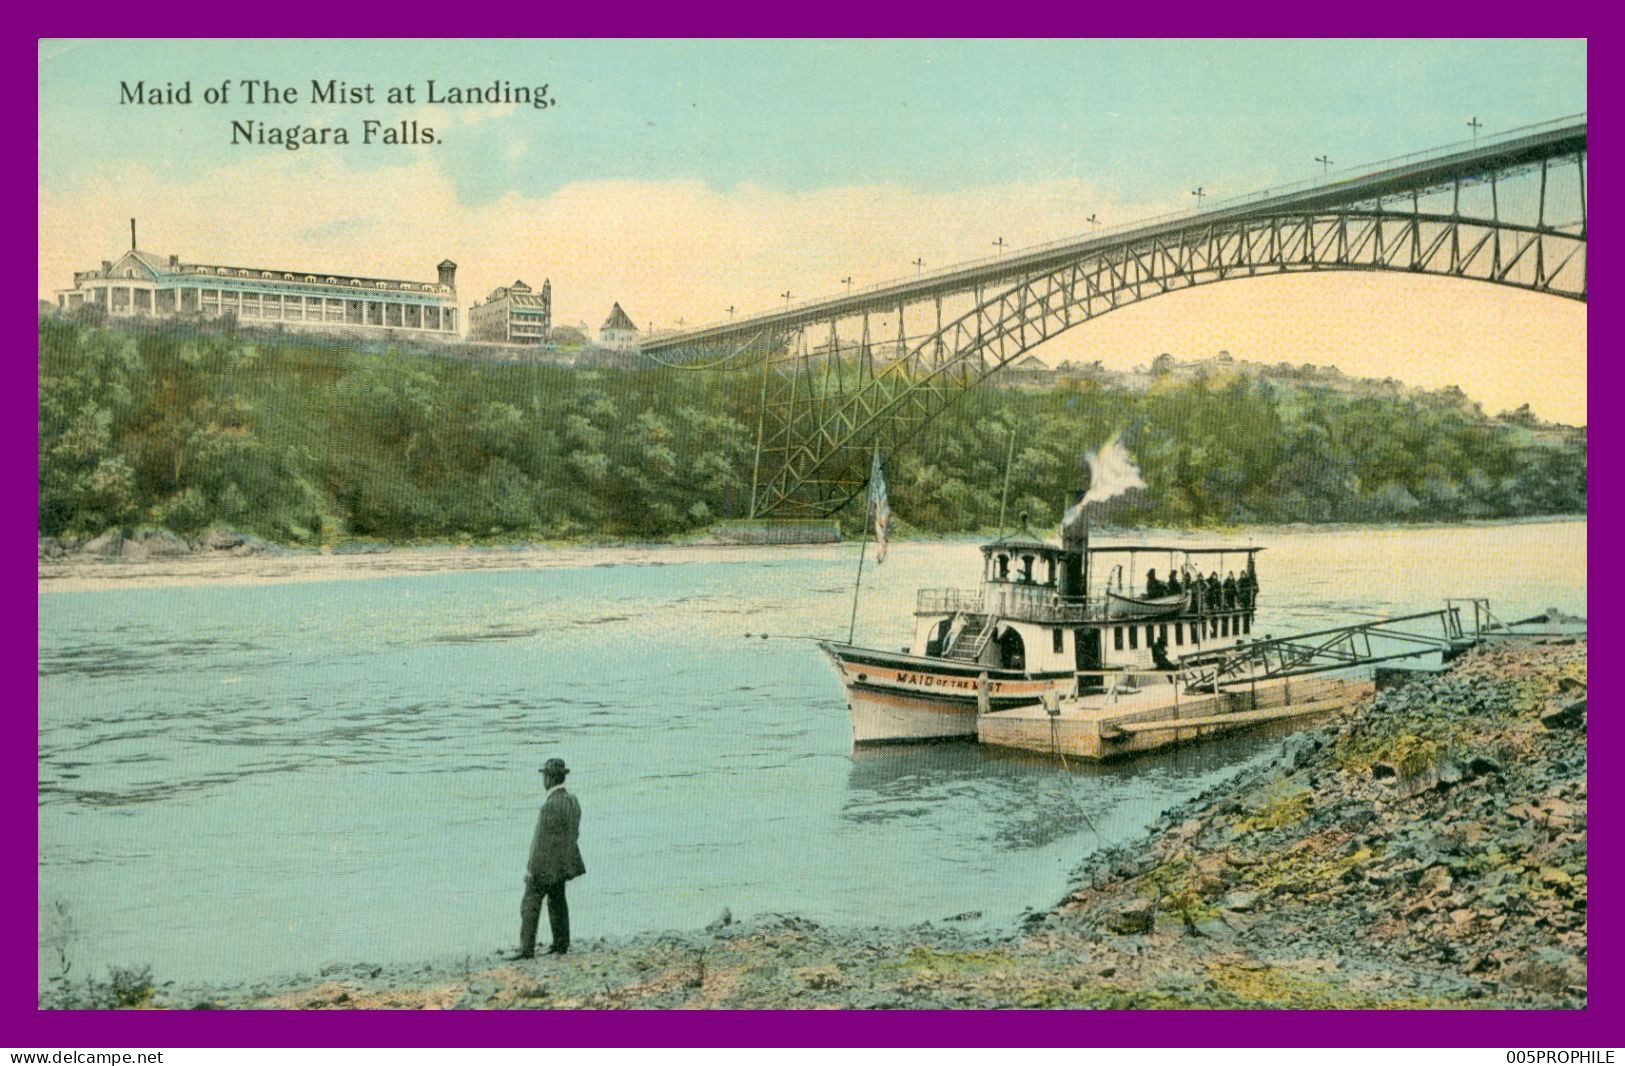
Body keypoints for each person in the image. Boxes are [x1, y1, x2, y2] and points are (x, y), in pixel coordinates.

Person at [514, 757, 585, 959]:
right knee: (558, 901)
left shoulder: (549, 806)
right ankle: (561, 944)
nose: (543, 780)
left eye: (544, 775)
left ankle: (526, 949)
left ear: (549, 779)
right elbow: (574, 833)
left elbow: (539, 842)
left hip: (545, 865)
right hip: (565, 863)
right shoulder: (573, 801)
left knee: (530, 903)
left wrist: (530, 869)